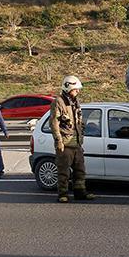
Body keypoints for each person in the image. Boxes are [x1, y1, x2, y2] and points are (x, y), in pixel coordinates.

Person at [50, 75, 94, 203]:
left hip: (77, 144)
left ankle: (80, 193)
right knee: (63, 171)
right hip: (65, 144)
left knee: (80, 171)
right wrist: (59, 141)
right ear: (68, 88)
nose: (78, 91)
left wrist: (82, 132)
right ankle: (62, 194)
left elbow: (79, 121)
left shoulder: (75, 101)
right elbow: (54, 123)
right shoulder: (59, 101)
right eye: (76, 89)